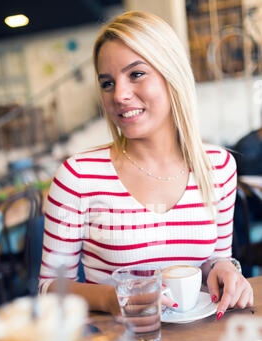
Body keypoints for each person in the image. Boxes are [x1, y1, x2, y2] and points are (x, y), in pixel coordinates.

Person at [39, 10, 253, 320]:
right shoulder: (78, 176)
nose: (120, 95)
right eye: (107, 83)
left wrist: (226, 269)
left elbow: (215, 259)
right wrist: (111, 298)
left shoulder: (218, 166)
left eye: (136, 74)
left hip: (200, 340)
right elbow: (49, 289)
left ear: (172, 75)